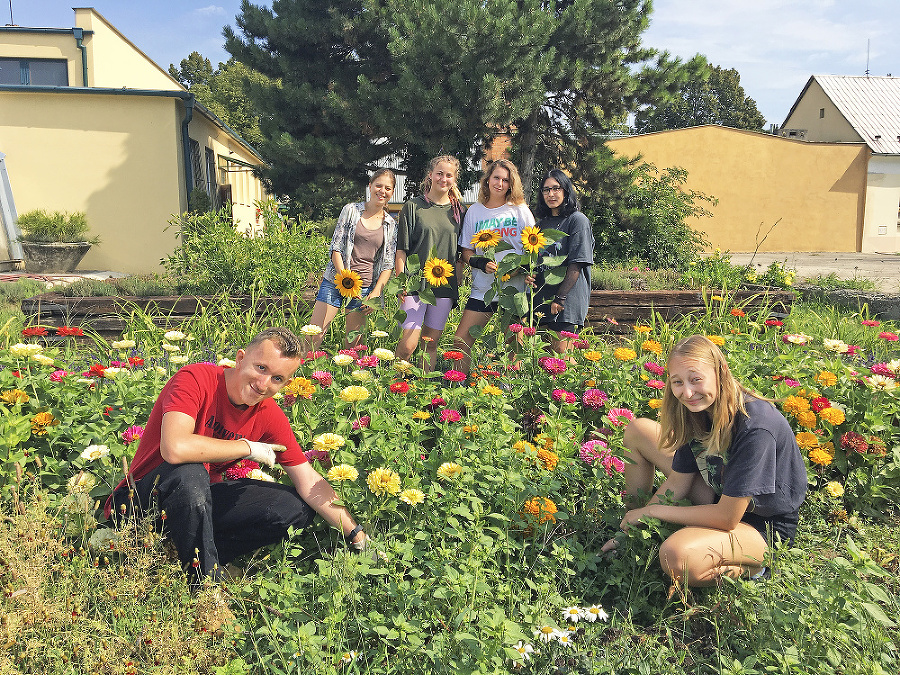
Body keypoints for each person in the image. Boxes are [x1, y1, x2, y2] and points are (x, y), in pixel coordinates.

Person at [106, 327, 369, 584]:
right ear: (241, 358)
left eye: (277, 379)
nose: (263, 384)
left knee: (294, 507)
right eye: (261, 368)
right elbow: (175, 448)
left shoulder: (267, 414)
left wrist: (356, 533)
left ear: (286, 384)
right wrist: (249, 447)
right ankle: (205, 589)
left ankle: (181, 557)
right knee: (190, 471)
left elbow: (307, 479)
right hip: (139, 503)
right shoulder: (196, 379)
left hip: (197, 506)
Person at [601, 335, 808, 587]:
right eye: (677, 382)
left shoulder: (756, 427)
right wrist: (635, 529)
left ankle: (755, 568)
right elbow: (678, 481)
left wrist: (654, 511)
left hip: (761, 523)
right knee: (638, 430)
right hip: (718, 489)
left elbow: (727, 518)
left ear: (720, 371)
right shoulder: (696, 411)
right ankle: (628, 524)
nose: (687, 392)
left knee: (676, 556)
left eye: (696, 379)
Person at [453, 159, 535, 374]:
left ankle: (510, 389)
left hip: (514, 289)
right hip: (484, 289)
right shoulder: (475, 212)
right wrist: (479, 262)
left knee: (514, 346)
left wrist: (517, 268)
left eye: (505, 180)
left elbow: (533, 248)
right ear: (487, 180)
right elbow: (466, 251)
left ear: (511, 184)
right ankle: (458, 385)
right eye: (496, 178)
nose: (500, 183)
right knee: (461, 340)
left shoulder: (520, 211)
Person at [305, 169, 397, 351]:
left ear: (392, 192)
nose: (382, 191)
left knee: (353, 346)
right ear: (370, 186)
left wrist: (376, 293)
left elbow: (388, 263)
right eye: (378, 185)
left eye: (387, 188)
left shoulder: (390, 224)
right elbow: (336, 247)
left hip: (364, 289)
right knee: (314, 336)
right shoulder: (351, 210)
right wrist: (346, 279)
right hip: (336, 281)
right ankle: (300, 376)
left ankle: (350, 379)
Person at [394, 155, 465, 372]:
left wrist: (459, 280)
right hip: (415, 284)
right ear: (430, 175)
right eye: (439, 173)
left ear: (454, 179)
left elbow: (461, 253)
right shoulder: (413, 206)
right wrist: (401, 281)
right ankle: (395, 388)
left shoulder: (460, 211)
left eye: (449, 175)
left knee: (430, 344)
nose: (443, 179)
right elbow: (401, 249)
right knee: (408, 344)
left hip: (444, 287)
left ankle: (424, 390)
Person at [533, 169, 594, 354]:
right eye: (546, 190)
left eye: (556, 188)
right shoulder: (541, 224)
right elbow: (537, 260)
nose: (551, 194)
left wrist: (561, 298)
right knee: (547, 358)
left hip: (566, 299)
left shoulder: (577, 220)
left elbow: (577, 262)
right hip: (543, 298)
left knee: (562, 354)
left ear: (566, 191)